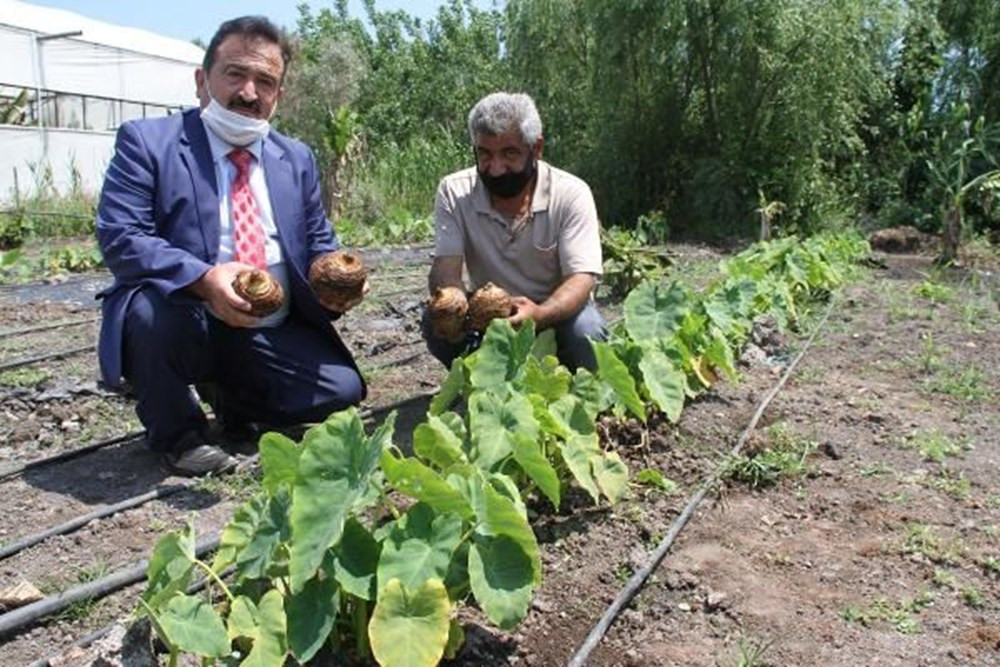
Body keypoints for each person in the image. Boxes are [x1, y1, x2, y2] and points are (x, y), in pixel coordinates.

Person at [96, 16, 365, 476]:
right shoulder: (150, 143)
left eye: (265, 81)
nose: (249, 93)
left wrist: (336, 279)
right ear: (203, 81)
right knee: (147, 313)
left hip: (270, 325)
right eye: (236, 74)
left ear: (278, 94)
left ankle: (234, 398)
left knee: (341, 391)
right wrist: (204, 279)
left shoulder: (294, 158)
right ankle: (178, 435)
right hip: (188, 316)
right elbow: (122, 235)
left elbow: (319, 239)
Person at [423, 92, 606, 370]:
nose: (495, 169)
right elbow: (446, 266)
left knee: (587, 330)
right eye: (485, 154)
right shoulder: (454, 190)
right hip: (490, 317)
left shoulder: (571, 193)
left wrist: (540, 314)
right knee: (436, 316)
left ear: (536, 148)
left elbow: (581, 278)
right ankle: (481, 381)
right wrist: (453, 299)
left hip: (555, 314)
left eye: (509, 153)